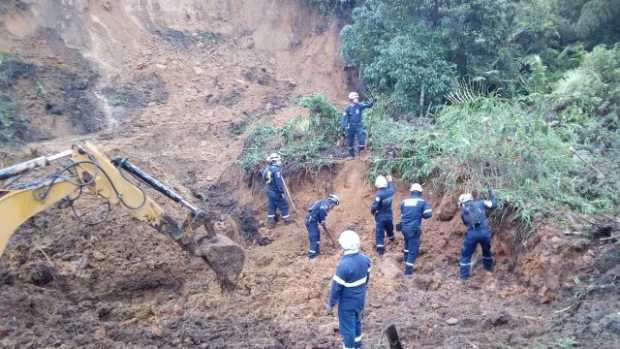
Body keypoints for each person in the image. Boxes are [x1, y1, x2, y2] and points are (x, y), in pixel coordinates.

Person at [326, 230, 371, 349]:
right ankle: (358, 345)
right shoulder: (365, 259)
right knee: (356, 322)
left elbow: (336, 289)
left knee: (347, 328)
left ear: (343, 245)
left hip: (347, 304)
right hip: (360, 300)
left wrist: (331, 304)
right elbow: (366, 279)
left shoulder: (344, 265)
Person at [458, 187, 497, 280]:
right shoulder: (481, 203)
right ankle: (489, 270)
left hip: (472, 234)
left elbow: (466, 223)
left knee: (466, 254)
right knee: (486, 251)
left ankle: (463, 278)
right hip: (484, 232)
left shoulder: (463, 212)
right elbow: (493, 205)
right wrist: (492, 193)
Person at [397, 183, 432, 276]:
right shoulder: (422, 202)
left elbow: (402, 214)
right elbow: (428, 214)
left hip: (404, 228)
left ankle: (405, 260)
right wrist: (421, 214)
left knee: (407, 243)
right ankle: (408, 272)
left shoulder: (404, 202)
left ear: (411, 192)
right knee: (413, 249)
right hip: (414, 229)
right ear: (420, 192)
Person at [304, 194, 340, 259]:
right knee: (314, 236)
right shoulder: (325, 206)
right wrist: (322, 222)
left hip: (313, 222)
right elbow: (321, 214)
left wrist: (322, 221)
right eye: (334, 205)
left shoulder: (323, 202)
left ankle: (317, 251)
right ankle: (311, 256)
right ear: (333, 202)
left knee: (317, 235)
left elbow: (317, 213)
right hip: (311, 221)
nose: (333, 207)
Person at [341, 92, 374, 158]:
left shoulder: (360, 105)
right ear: (351, 100)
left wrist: (372, 102)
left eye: (357, 98)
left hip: (359, 125)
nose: (357, 99)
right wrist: (344, 127)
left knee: (362, 138)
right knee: (350, 141)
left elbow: (368, 105)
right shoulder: (347, 108)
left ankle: (360, 154)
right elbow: (344, 118)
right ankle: (351, 155)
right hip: (350, 126)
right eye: (355, 98)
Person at [261, 153, 290, 228]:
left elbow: (264, 178)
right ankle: (286, 220)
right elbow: (279, 183)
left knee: (271, 206)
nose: (280, 162)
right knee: (284, 204)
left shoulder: (267, 168)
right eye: (279, 160)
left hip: (269, 190)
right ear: (275, 161)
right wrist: (281, 192)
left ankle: (270, 222)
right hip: (275, 192)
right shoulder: (276, 170)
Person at [371, 175, 395, 256]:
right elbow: (392, 187)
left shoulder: (379, 195)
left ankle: (380, 251)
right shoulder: (390, 191)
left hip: (380, 217)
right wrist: (390, 181)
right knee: (390, 229)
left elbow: (375, 206)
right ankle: (392, 241)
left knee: (379, 233)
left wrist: (372, 211)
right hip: (389, 215)